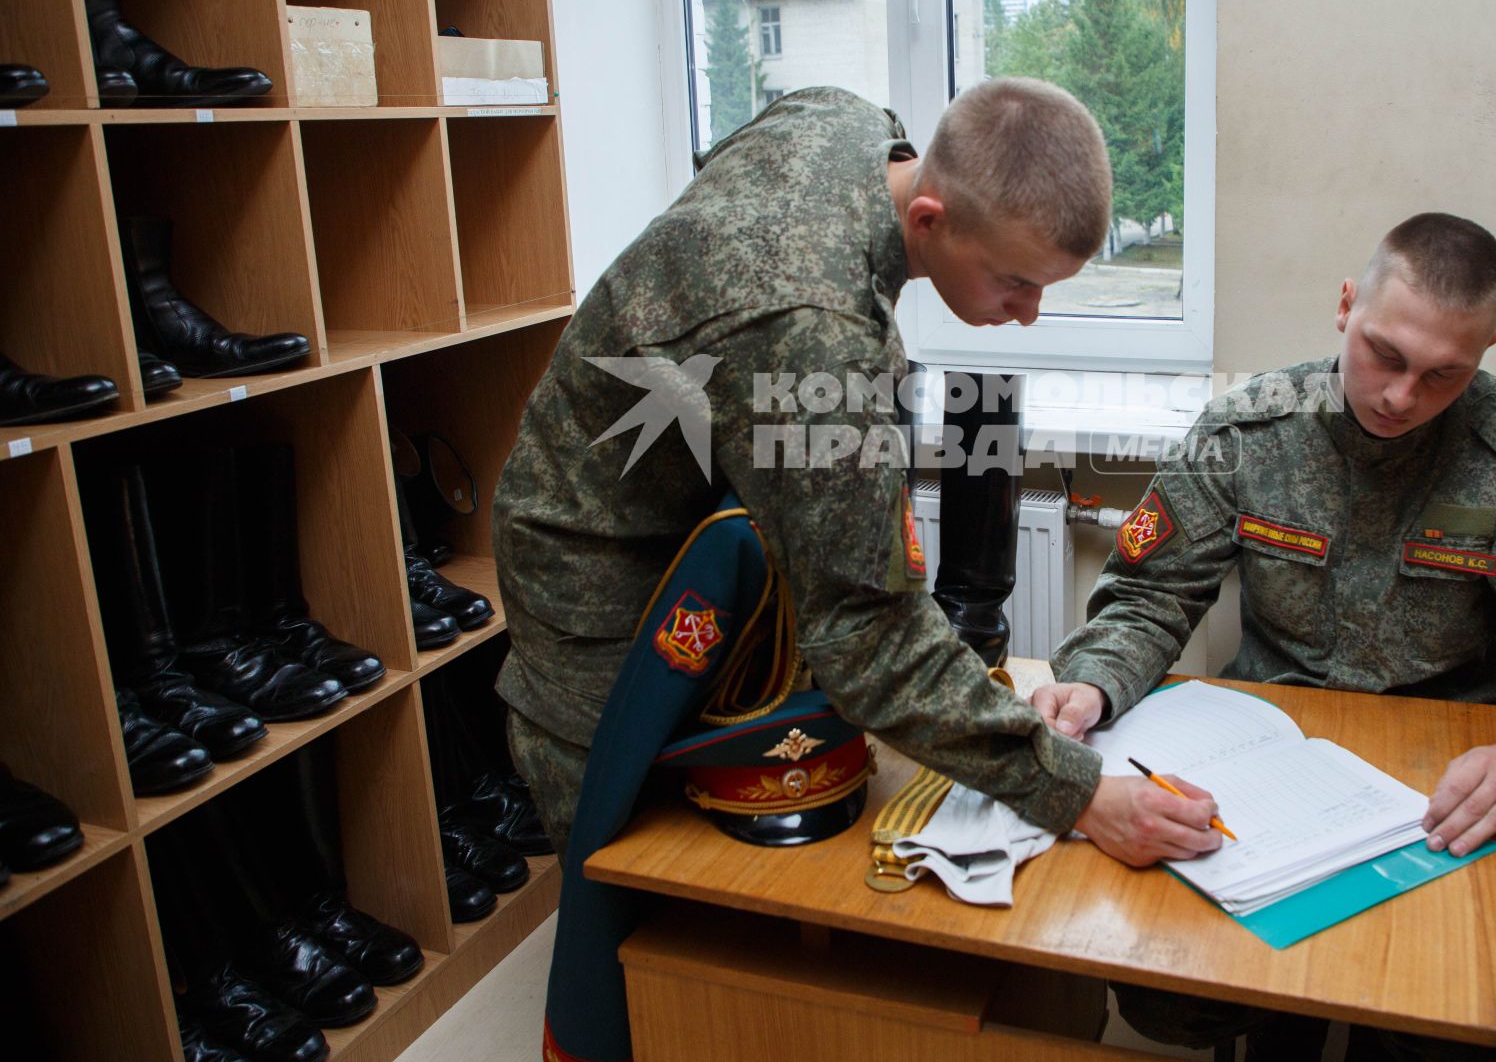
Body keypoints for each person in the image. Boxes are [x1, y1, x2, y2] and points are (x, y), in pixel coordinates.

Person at [490, 81, 1224, 870]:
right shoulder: (812, 337)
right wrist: (1082, 794)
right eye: (1015, 282)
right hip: (592, 561)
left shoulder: (847, 120)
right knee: (637, 869)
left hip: (690, 507)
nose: (1029, 313)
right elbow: (866, 636)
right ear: (929, 221)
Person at [1035, 212, 1496, 1060]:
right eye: (1385, 355)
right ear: (1347, 306)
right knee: (1178, 997)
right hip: (1264, 775)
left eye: (1444, 375)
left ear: (1487, 348)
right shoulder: (1250, 431)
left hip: (1443, 789)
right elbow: (1150, 595)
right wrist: (1095, 682)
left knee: (1446, 1017)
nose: (1402, 396)